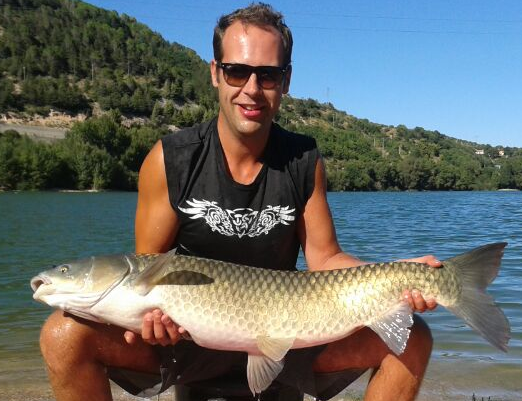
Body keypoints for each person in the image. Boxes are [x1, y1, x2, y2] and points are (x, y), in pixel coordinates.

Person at [39, 3, 440, 401]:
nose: (251, 88)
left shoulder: (303, 160)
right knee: (62, 334)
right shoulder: (169, 160)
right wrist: (151, 325)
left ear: (285, 80)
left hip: (284, 334)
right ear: (216, 73)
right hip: (189, 340)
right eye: (236, 71)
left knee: (413, 339)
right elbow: (150, 264)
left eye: (267, 74)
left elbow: (326, 260)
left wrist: (399, 275)